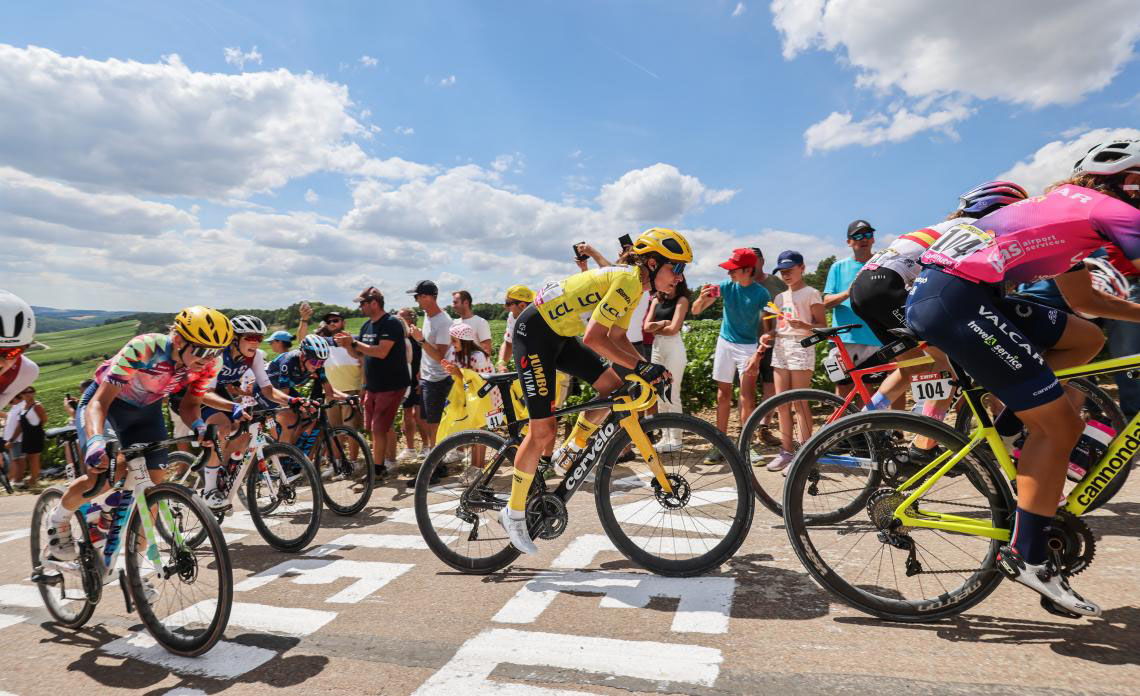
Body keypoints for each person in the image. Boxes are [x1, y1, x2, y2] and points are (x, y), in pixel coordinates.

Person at [906, 139, 1140, 617]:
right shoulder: (1110, 208)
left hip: (961, 293)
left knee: (1084, 340)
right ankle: (1029, 554)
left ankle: (1023, 416)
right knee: (1060, 426)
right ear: (1127, 180)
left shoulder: (1069, 212)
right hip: (956, 299)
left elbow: (1088, 304)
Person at [501, 227, 689, 554]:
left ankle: (572, 447)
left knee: (613, 387)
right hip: (533, 335)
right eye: (678, 268)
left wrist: (648, 368)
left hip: (559, 336)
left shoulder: (636, 287)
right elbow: (594, 338)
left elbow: (616, 338)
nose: (680, 278)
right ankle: (513, 513)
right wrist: (643, 367)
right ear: (655, 263)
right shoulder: (629, 280)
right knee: (542, 431)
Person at [45, 306, 238, 568]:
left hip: (146, 413)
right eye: (203, 350)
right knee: (103, 477)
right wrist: (95, 442)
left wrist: (200, 426)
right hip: (107, 406)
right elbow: (100, 403)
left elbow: (189, 405)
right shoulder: (146, 348)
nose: (209, 358)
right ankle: (58, 521)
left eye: (215, 352)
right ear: (179, 340)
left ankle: (136, 571)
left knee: (153, 486)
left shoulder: (205, 366)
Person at [849, 182, 1028, 461]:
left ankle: (855, 427)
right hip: (888, 286)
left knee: (913, 367)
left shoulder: (949, 227)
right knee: (949, 366)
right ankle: (924, 447)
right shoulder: (978, 229)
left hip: (866, 288)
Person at [198, 315, 304, 509]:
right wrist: (234, 407)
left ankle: (226, 467)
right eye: (250, 337)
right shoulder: (218, 356)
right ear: (235, 338)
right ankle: (210, 489)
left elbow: (267, 390)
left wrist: (291, 400)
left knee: (245, 433)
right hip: (200, 393)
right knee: (222, 427)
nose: (255, 342)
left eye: (259, 338)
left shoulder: (254, 356)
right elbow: (205, 393)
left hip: (220, 391)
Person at [691, 248, 771, 461]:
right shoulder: (725, 287)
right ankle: (720, 444)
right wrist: (700, 299)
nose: (729, 273)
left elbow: (769, 327)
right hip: (725, 343)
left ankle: (746, 445)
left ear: (747, 270)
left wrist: (759, 353)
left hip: (748, 347)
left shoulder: (761, 294)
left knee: (747, 397)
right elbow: (696, 311)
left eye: (733, 270)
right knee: (722, 394)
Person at [336, 287, 409, 478]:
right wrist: (348, 346)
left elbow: (381, 351)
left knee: (379, 428)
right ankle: (386, 461)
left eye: (362, 303)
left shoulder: (391, 323)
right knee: (376, 427)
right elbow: (359, 354)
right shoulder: (367, 325)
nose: (360, 307)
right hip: (373, 385)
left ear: (374, 303)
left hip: (391, 384)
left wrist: (353, 343)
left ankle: (378, 469)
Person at [768, 250, 825, 472]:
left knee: (800, 402)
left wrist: (804, 325)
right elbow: (778, 327)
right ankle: (786, 452)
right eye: (782, 271)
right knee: (781, 402)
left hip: (802, 346)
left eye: (790, 270)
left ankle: (804, 454)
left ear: (802, 267)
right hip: (781, 346)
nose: (786, 275)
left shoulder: (812, 293)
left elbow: (822, 324)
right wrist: (769, 335)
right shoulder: (779, 298)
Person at [823, 220, 882, 397]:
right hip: (844, 340)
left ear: (873, 239)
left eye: (867, 234)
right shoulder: (838, 267)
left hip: (875, 338)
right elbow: (826, 302)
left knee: (869, 391)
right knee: (842, 390)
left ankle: (877, 426)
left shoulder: (882, 263)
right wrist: (848, 293)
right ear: (849, 241)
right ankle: (842, 425)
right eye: (857, 235)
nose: (863, 239)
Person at [407, 280, 456, 460]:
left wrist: (420, 340)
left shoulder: (443, 322)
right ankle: (436, 459)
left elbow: (441, 356)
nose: (416, 301)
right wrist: (422, 371)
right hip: (428, 377)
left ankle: (436, 464)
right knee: (428, 421)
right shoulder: (428, 316)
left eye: (417, 297)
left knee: (435, 424)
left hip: (439, 379)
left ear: (428, 297)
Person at [299, 308, 364, 438]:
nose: (332, 323)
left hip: (352, 390)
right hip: (331, 392)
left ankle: (354, 459)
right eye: (328, 321)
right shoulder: (324, 343)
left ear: (344, 322)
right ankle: (338, 459)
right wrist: (304, 320)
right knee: (334, 432)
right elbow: (302, 339)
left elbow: (366, 361)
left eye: (335, 320)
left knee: (352, 432)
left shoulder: (355, 340)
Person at [643, 278, 690, 452]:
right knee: (659, 393)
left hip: (673, 347)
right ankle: (665, 438)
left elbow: (674, 329)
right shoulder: (656, 299)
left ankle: (676, 440)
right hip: (657, 346)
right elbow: (646, 326)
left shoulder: (682, 300)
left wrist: (656, 326)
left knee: (672, 393)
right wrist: (663, 323)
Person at [8, 386, 46, 488]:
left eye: (31, 391)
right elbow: (20, 426)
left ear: (34, 393)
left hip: (35, 434)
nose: (28, 394)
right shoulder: (23, 407)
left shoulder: (37, 406)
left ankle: (34, 480)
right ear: (22, 394)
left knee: (34, 458)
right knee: (30, 458)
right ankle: (33, 479)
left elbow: (44, 420)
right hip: (26, 435)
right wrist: (12, 439)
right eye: (25, 392)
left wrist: (36, 431)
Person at [497, 285, 535, 371]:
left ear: (522, 305)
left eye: (508, 303)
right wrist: (501, 364)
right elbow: (508, 343)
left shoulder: (539, 317)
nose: (505, 307)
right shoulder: (512, 316)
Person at [451, 290, 493, 355]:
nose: (453, 305)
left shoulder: (480, 322)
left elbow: (486, 350)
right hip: (459, 364)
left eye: (455, 302)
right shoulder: (454, 323)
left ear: (466, 303)